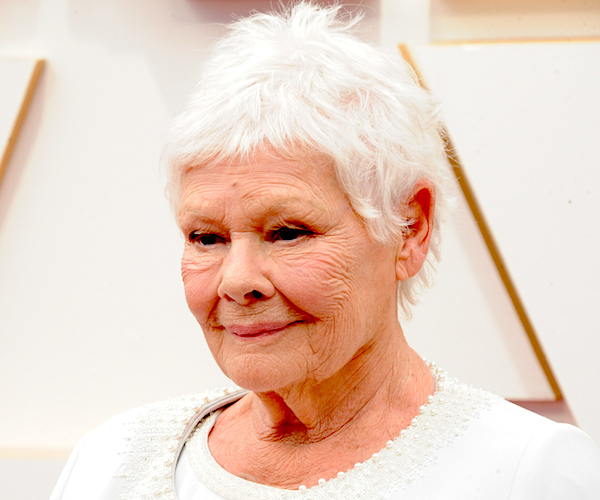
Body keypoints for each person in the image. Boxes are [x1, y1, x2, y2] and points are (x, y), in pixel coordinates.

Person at [51, 3, 600, 499]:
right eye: (206, 238)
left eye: (288, 232)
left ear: (409, 228)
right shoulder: (111, 463)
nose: (237, 281)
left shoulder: (524, 472)